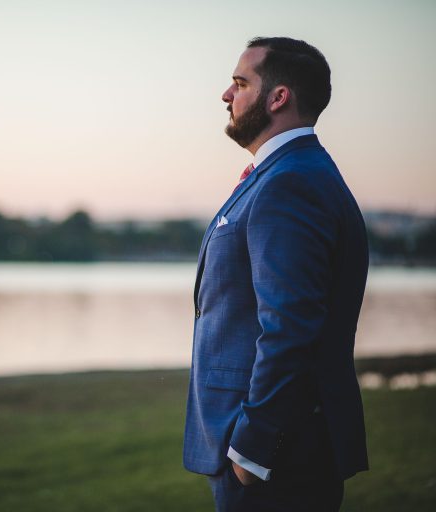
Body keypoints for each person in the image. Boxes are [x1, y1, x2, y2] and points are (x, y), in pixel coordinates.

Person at [182, 37, 369, 512]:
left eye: (241, 83)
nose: (227, 95)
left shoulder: (290, 183)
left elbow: (290, 325)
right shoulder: (287, 174)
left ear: (278, 96)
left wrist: (252, 447)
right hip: (263, 448)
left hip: (272, 456)